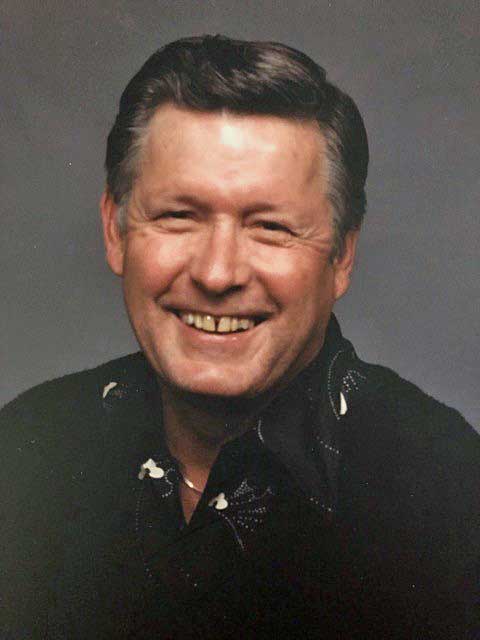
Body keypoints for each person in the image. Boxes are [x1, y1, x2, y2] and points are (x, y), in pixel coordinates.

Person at [1, 35, 478, 639]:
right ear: (115, 231)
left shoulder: (449, 493)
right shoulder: (23, 450)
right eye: (178, 216)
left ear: (341, 256)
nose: (217, 273)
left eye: (270, 227)